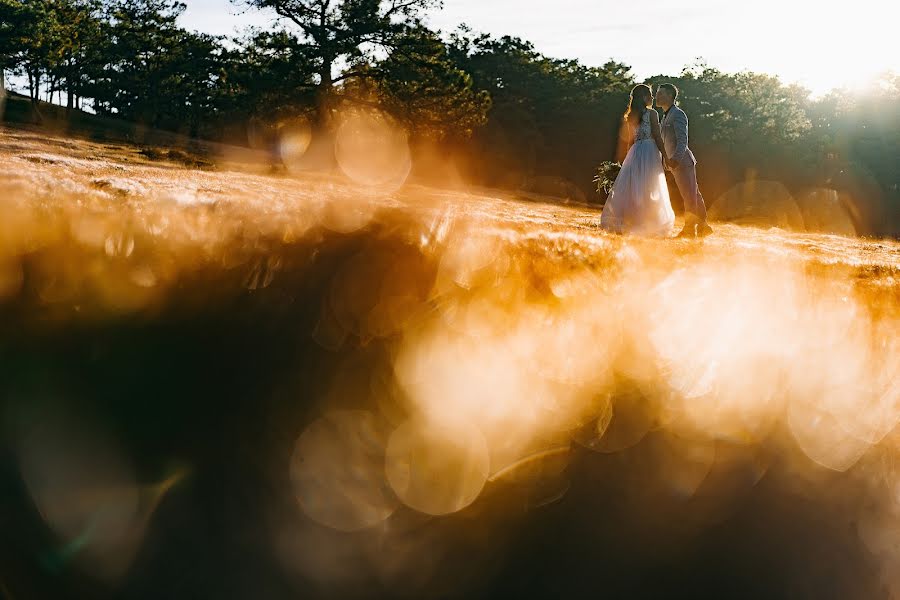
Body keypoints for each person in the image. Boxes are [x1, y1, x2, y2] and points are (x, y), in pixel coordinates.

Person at [600, 84, 675, 237]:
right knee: (648, 186)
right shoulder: (652, 114)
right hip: (649, 151)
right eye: (649, 94)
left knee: (634, 186)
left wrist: (627, 159)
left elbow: (630, 141)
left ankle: (632, 220)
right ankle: (646, 222)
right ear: (644, 97)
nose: (652, 97)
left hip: (635, 151)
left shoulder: (631, 115)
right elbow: (658, 137)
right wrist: (666, 156)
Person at [655, 83, 713, 238]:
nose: (656, 96)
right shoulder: (665, 115)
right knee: (694, 194)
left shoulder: (678, 114)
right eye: (656, 93)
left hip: (682, 162)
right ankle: (704, 226)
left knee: (689, 196)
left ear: (670, 96)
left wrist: (675, 159)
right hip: (674, 163)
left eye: (660, 94)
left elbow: (683, 140)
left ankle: (689, 230)